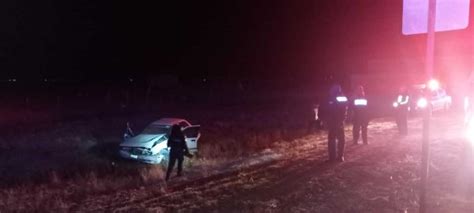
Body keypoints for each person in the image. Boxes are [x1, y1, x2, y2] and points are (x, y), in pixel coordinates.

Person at [321, 84, 348, 162]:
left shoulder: (329, 98)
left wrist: (324, 119)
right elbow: (345, 109)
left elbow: (323, 109)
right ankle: (340, 157)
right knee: (340, 139)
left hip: (334, 121)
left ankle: (333, 157)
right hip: (338, 121)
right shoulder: (342, 98)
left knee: (333, 139)